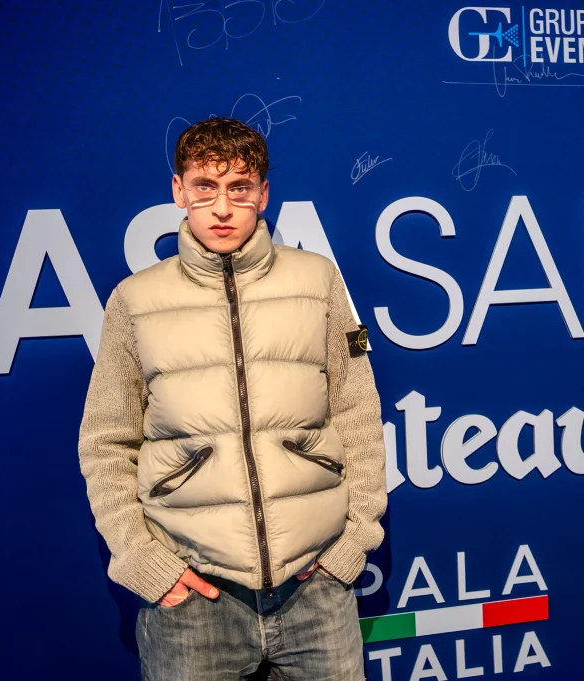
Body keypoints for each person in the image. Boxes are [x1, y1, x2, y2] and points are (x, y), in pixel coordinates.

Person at [78, 117, 387, 680]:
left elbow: (358, 410)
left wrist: (353, 544)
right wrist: (145, 563)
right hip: (194, 604)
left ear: (262, 194)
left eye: (239, 188)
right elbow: (105, 443)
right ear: (179, 191)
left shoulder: (319, 281)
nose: (222, 207)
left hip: (316, 592)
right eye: (205, 187)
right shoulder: (134, 301)